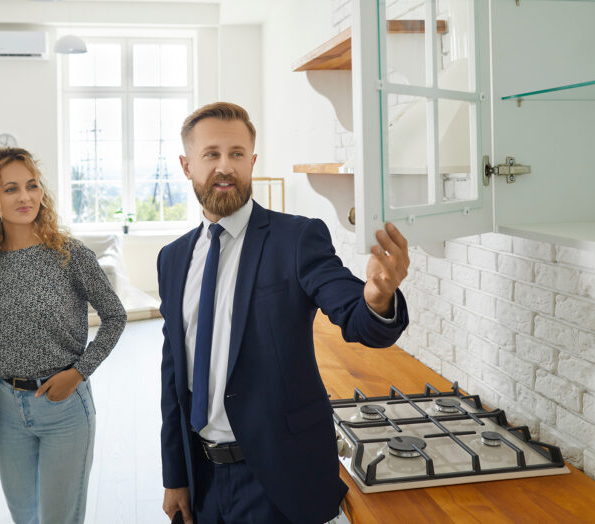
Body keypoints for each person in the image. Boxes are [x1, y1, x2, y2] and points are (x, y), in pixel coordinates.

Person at [158, 102, 410, 524]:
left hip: (280, 480)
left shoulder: (296, 238)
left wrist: (378, 296)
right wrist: (175, 476)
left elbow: (355, 314)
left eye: (237, 154)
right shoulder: (173, 259)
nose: (225, 166)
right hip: (202, 478)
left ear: (252, 161)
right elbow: (173, 375)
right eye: (211, 154)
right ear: (187, 166)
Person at [0, 147, 127, 524]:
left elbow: (115, 317)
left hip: (64, 406)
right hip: (5, 407)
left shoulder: (70, 254)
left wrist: (79, 372)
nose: (25, 197)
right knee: (24, 517)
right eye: (11, 189)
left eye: (32, 185)